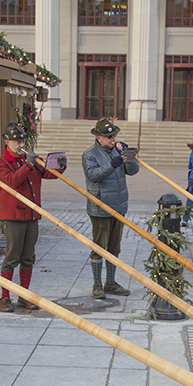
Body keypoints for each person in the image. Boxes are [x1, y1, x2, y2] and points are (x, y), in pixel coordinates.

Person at [0, 122, 66, 312]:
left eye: (22, 140)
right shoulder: (2, 162)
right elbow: (11, 181)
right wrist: (28, 164)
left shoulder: (31, 159)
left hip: (32, 215)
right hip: (13, 216)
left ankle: (24, 295)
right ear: (7, 142)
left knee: (28, 257)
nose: (20, 144)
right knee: (11, 257)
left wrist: (59, 166)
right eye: (15, 141)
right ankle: (5, 297)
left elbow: (49, 175)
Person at [82, 117, 139, 299]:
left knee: (115, 247)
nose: (112, 139)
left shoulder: (117, 150)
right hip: (100, 207)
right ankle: (97, 284)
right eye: (108, 136)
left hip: (119, 205)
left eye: (113, 135)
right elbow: (93, 176)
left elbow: (133, 171)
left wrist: (128, 157)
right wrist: (113, 164)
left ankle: (111, 283)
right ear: (98, 137)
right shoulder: (89, 154)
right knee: (99, 247)